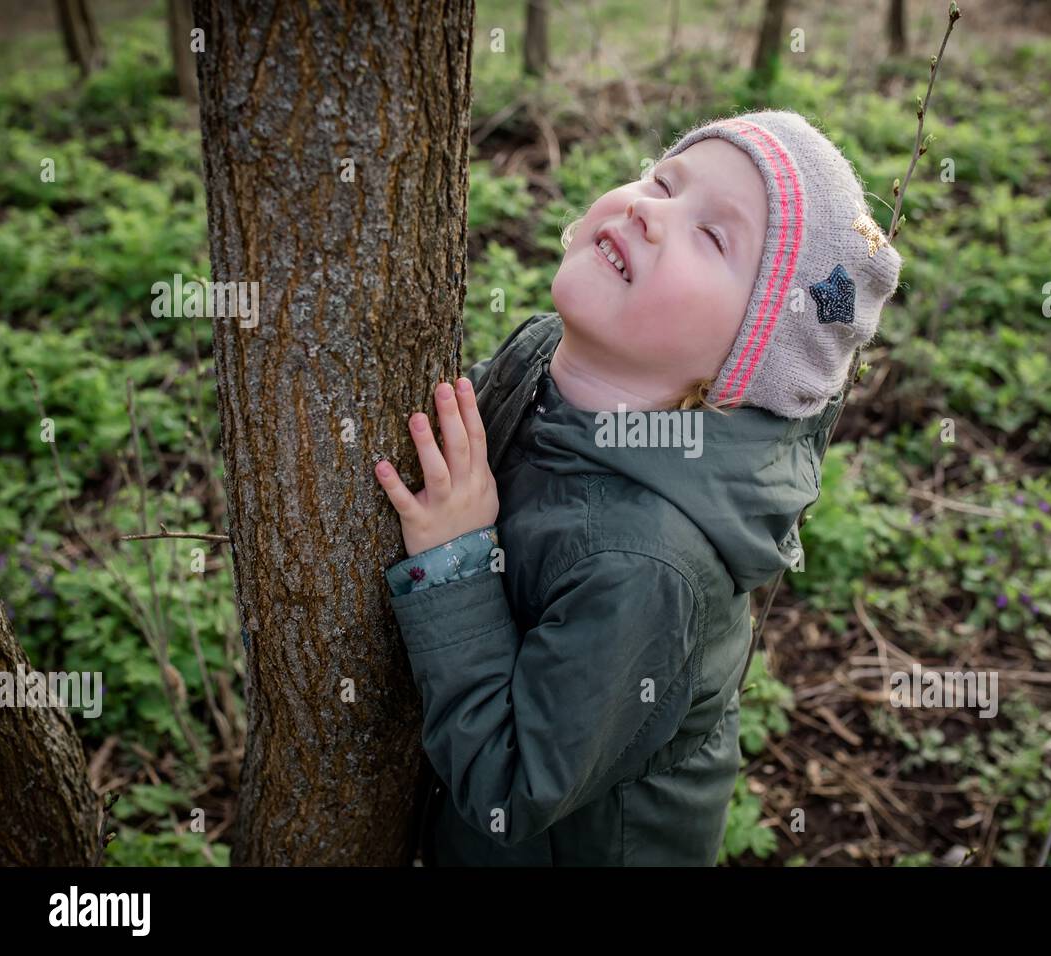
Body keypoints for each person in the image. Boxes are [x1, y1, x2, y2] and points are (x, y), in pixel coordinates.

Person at [373, 109, 903, 865]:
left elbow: (510, 785)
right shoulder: (540, 351)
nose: (650, 212)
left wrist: (455, 564)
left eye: (713, 236)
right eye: (663, 181)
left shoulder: (644, 564)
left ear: (739, 369)